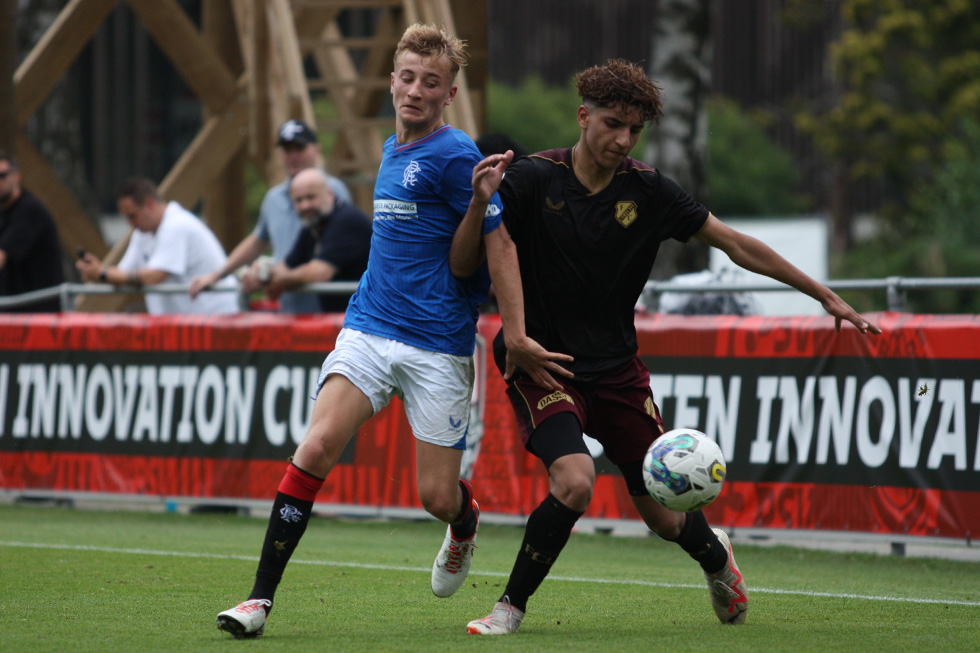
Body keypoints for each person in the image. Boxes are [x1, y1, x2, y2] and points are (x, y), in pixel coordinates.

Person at [453, 59, 883, 635]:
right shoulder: (533, 179)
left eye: (635, 130)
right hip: (543, 365)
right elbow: (476, 256)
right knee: (575, 481)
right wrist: (513, 327)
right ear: (583, 117)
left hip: (618, 372)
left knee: (662, 511)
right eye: (612, 124)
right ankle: (510, 608)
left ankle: (716, 561)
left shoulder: (649, 190)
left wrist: (821, 293)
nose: (623, 139)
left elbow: (732, 243)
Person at [215, 23, 570, 639]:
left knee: (435, 496)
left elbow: (496, 247)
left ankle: (463, 521)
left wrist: (513, 332)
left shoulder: (456, 154)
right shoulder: (389, 148)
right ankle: (257, 602)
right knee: (316, 447)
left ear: (448, 94)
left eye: (430, 83)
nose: (415, 91)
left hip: (437, 343)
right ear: (391, 80)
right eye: (407, 77)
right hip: (370, 326)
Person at [188, 119, 352, 313]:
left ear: (316, 150)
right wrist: (219, 274)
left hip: (333, 311)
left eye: (299, 148)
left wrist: (274, 276)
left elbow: (323, 269)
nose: (293, 155)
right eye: (287, 149)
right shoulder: (274, 198)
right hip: (289, 310)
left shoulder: (334, 192)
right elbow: (257, 241)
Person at [76, 177, 239, 315]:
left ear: (149, 204)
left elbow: (154, 277)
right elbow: (123, 275)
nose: (130, 224)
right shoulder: (143, 232)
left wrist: (102, 273)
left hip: (217, 322)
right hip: (187, 328)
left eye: (132, 216)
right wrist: (98, 270)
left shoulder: (176, 225)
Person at [264, 167, 372, 312]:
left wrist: (279, 281)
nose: (305, 205)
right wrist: (262, 274)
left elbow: (320, 272)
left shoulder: (346, 220)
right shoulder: (313, 227)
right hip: (346, 321)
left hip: (369, 322)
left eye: (311, 197)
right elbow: (286, 265)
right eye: (298, 200)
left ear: (330, 195)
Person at [0, 151, 65, 312]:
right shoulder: (4, 211)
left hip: (40, 314)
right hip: (17, 311)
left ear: (16, 176)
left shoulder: (29, 209)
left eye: (2, 175)